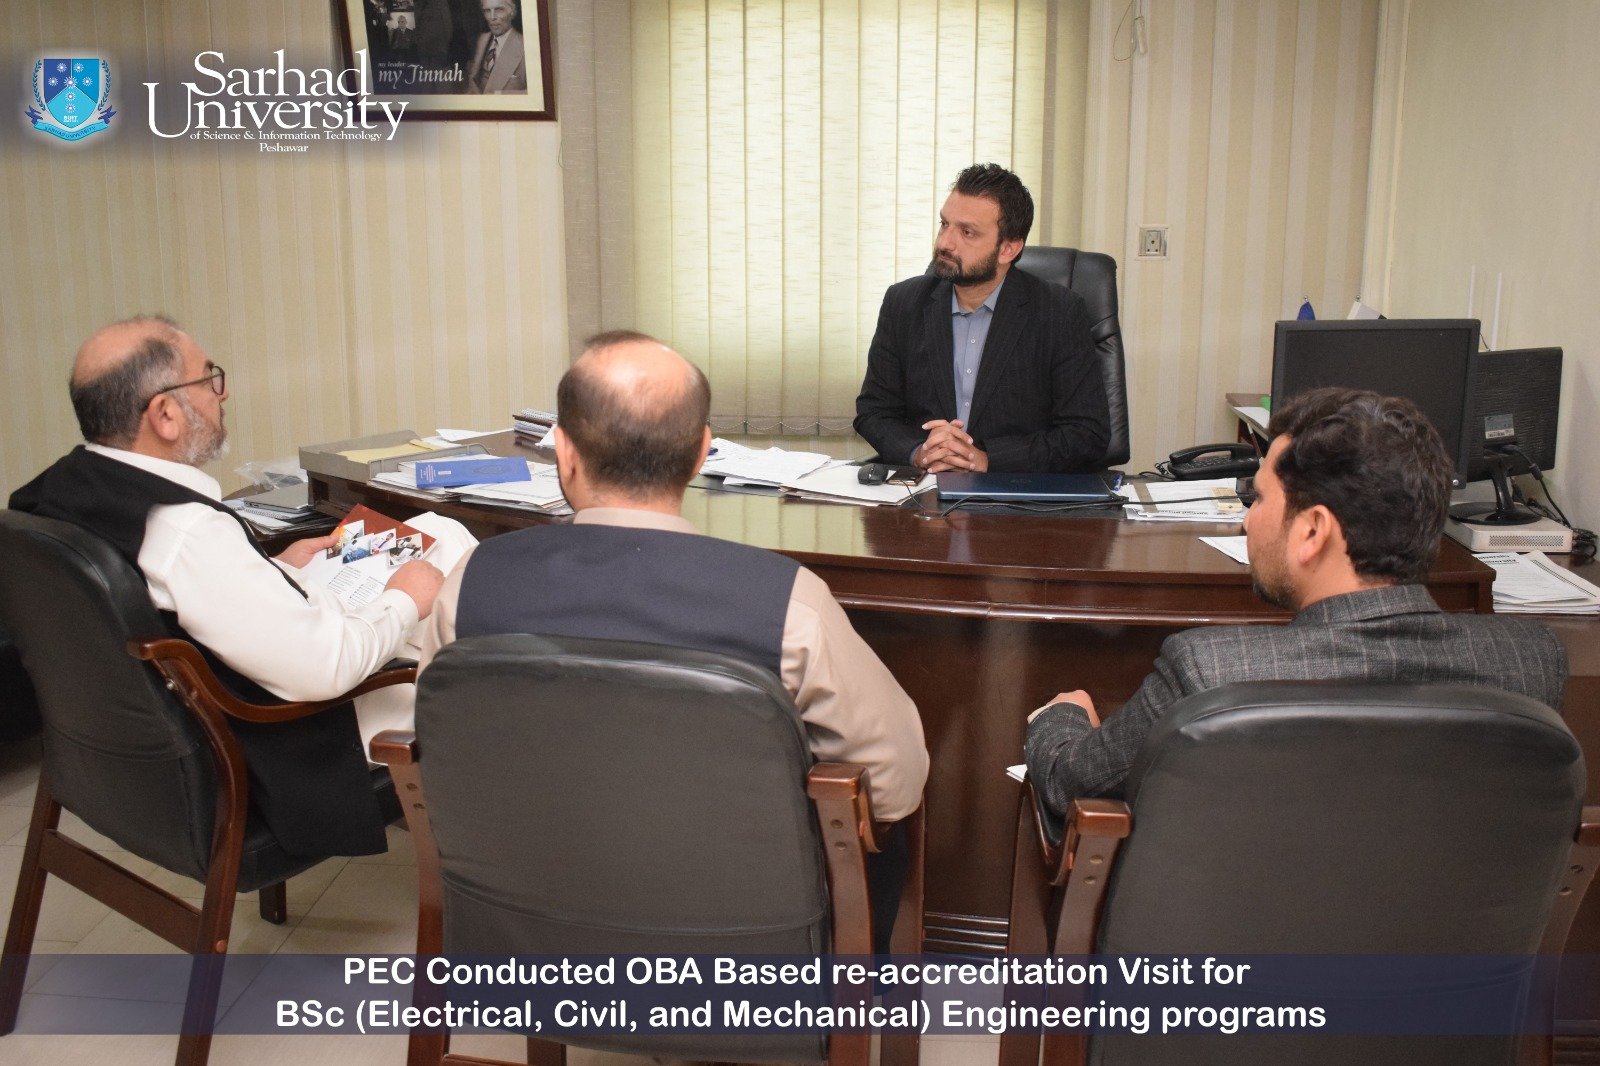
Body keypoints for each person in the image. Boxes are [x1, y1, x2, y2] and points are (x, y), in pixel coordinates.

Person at [421, 330, 929, 827]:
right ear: (701, 453)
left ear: (565, 452)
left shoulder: (471, 580)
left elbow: (439, 750)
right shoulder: (790, 604)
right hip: (736, 881)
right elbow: (893, 787)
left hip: (521, 877)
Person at [9, 315, 446, 857]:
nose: (223, 393)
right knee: (463, 637)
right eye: (208, 377)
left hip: (138, 755)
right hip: (269, 749)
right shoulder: (186, 532)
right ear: (165, 414)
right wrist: (406, 599)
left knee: (439, 538)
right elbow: (326, 669)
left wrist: (274, 568)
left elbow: (182, 596)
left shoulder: (60, 489)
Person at [1024, 387, 1568, 818]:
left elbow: (1071, 781)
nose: (1247, 520)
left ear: (1312, 531)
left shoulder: (1210, 672)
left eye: (1258, 497)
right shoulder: (1532, 663)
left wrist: (1064, 716)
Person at [853, 163, 1110, 474]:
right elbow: (874, 412)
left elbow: (1086, 433)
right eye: (944, 224)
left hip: (1014, 491)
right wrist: (920, 452)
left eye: (967, 232)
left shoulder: (1058, 312)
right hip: (926, 486)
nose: (945, 243)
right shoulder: (904, 303)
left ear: (1008, 249)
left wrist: (985, 459)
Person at [465, 0, 527, 94]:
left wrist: (497, 95)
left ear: (512, 13)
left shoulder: (525, 45)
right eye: (487, 11)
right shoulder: (483, 39)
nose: (492, 17)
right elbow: (473, 80)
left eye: (499, 9)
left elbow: (536, 93)